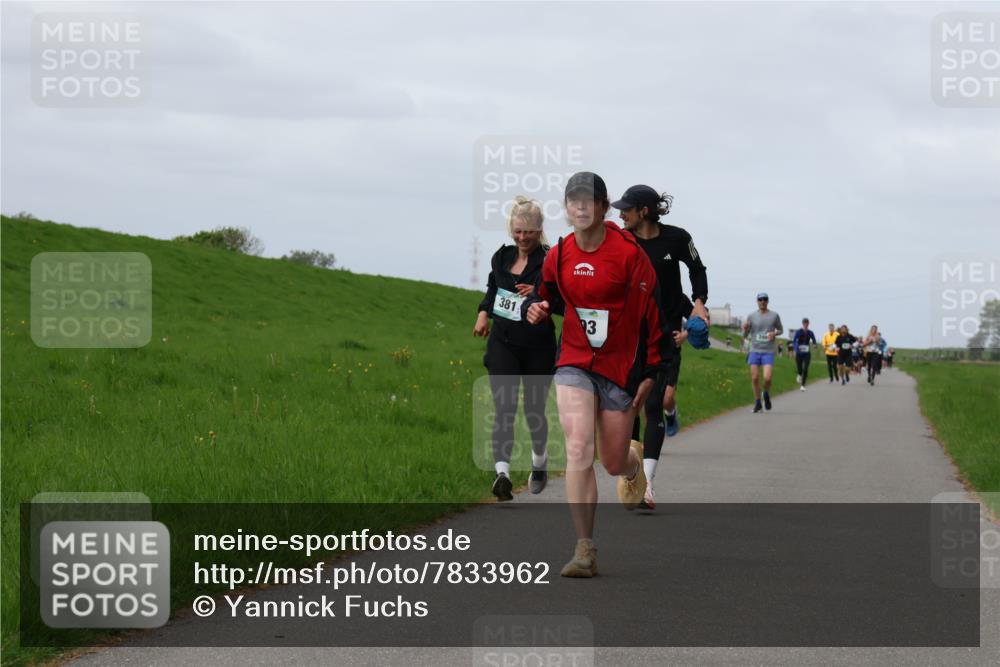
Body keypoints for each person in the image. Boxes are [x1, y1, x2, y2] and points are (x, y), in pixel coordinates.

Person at [526, 171, 665, 578]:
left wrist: (653, 370)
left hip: (620, 368)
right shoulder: (560, 253)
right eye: (574, 201)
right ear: (567, 209)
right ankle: (584, 548)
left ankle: (632, 464)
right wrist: (536, 306)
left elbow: (652, 317)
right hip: (573, 361)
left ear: (604, 208)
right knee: (578, 447)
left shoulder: (629, 255)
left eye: (590, 200)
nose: (581, 207)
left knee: (611, 460)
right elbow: (545, 294)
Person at [611, 184, 709, 511]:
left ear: (645, 211)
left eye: (627, 208)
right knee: (630, 407)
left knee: (654, 404)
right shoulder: (621, 241)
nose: (620, 213)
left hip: (664, 333)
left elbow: (697, 268)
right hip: (628, 335)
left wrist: (698, 304)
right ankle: (634, 477)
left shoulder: (677, 238)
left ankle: (647, 484)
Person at [474, 197, 557, 501]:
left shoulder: (550, 259)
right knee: (504, 409)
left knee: (534, 410)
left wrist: (538, 293)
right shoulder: (502, 257)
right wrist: (483, 313)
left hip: (538, 346)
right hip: (503, 342)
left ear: (539, 230)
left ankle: (538, 463)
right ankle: (502, 475)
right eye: (518, 232)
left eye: (529, 232)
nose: (523, 238)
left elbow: (561, 297)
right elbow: (493, 290)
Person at [743, 293, 783, 413]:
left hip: (768, 351)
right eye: (760, 299)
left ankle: (765, 393)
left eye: (765, 299)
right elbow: (745, 335)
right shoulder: (751, 316)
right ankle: (757, 402)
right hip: (754, 350)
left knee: (767, 378)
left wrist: (774, 334)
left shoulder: (774, 315)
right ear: (757, 301)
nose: (762, 301)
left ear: (768, 301)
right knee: (755, 378)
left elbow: (781, 330)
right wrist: (745, 329)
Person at [790, 318, 818, 391]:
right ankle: (799, 374)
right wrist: (796, 347)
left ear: (808, 324)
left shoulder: (810, 332)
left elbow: (814, 340)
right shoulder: (798, 332)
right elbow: (794, 341)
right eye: (804, 323)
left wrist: (815, 345)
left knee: (805, 369)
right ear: (802, 324)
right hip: (799, 353)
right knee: (799, 368)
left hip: (807, 353)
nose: (805, 324)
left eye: (807, 323)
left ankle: (803, 385)